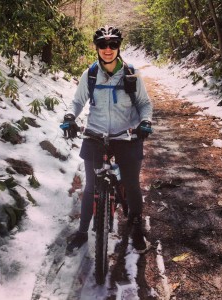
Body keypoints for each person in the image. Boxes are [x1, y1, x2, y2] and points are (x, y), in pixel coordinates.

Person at [61, 25, 153, 254]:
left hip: (127, 135)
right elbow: (77, 101)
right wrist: (70, 116)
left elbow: (144, 103)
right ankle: (82, 231)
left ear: (119, 47)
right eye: (103, 45)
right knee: (92, 185)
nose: (108, 49)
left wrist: (145, 122)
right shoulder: (90, 74)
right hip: (95, 134)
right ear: (97, 48)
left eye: (112, 45)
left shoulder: (131, 73)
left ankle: (136, 227)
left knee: (131, 184)